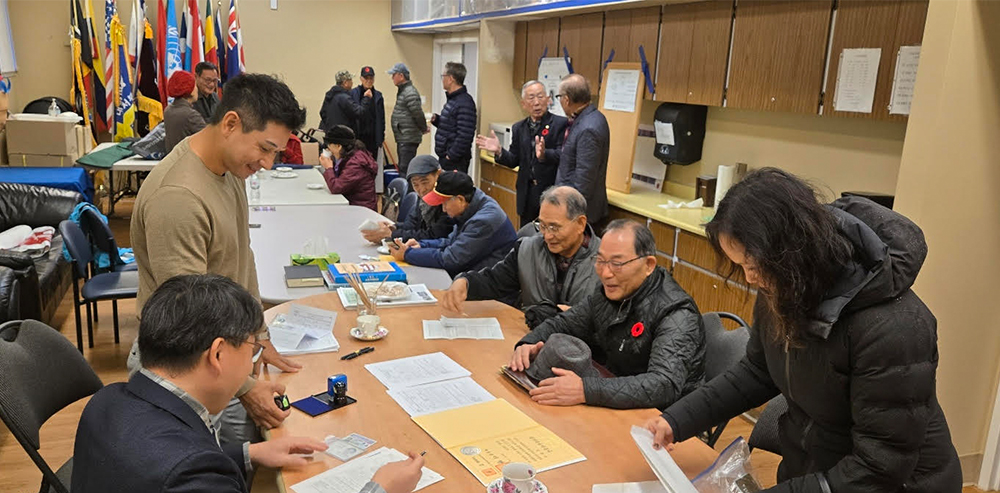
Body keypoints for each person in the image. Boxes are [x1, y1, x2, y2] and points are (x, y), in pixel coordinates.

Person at [643, 169, 962, 492]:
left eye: (754, 265)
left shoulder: (892, 327)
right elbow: (757, 372)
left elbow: (879, 465)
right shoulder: (784, 287)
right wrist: (678, 419)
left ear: (791, 251)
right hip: (818, 472)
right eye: (742, 267)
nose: (751, 278)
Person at [71, 274, 425, 493]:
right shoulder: (193, 476)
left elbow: (162, 463)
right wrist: (382, 489)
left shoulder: (108, 400)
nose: (255, 362)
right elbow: (180, 469)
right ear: (218, 354)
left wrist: (248, 453)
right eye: (254, 348)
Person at [130, 73, 306, 450]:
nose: (269, 163)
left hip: (225, 355)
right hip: (188, 367)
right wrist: (246, 389)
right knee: (213, 471)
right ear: (230, 124)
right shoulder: (178, 197)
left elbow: (242, 256)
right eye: (265, 148)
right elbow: (189, 319)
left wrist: (258, 336)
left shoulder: (229, 170)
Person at [509, 219, 705, 410]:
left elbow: (663, 385)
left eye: (617, 264)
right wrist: (528, 343)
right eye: (600, 261)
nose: (605, 273)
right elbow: (565, 323)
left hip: (664, 418)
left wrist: (585, 389)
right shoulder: (609, 292)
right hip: (611, 394)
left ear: (649, 265)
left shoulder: (676, 312)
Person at [442, 186, 600, 327]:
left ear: (580, 223)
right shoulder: (527, 249)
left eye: (554, 227)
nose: (547, 236)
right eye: (542, 226)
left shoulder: (606, 261)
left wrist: (579, 316)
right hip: (528, 340)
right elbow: (496, 281)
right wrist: (465, 282)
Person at [390, 170, 516, 278]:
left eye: (444, 203)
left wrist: (408, 254)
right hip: (471, 273)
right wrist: (421, 245)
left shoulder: (484, 221)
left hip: (488, 286)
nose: (443, 210)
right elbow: (450, 242)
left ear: (460, 199)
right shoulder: (470, 205)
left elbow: (452, 259)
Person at [476, 80, 568, 227]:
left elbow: (563, 156)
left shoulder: (560, 123)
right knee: (527, 234)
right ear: (523, 104)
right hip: (527, 192)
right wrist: (499, 151)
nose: (536, 102)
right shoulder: (519, 128)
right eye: (531, 98)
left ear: (548, 99)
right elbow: (514, 160)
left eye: (540, 96)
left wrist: (545, 154)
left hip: (550, 191)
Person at [544, 74, 609, 225]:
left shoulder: (588, 128)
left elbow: (584, 181)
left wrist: (567, 215)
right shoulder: (588, 118)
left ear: (566, 99)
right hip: (573, 208)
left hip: (578, 214)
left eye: (559, 97)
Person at [361, 155, 453, 244]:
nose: (422, 189)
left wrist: (392, 235)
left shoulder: (449, 199)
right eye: (415, 185)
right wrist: (394, 227)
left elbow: (434, 235)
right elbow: (412, 224)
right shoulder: (423, 199)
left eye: (425, 182)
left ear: (438, 174)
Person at [432, 62, 476, 173]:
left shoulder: (465, 102)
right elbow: (451, 126)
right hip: (447, 158)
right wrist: (437, 120)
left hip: (455, 161)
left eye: (443, 76)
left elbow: (465, 135)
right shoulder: (453, 100)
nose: (442, 79)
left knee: (453, 190)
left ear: (451, 78)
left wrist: (451, 156)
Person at [320, 125, 377, 210]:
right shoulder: (348, 156)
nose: (328, 149)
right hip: (353, 204)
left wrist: (328, 168)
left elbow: (337, 187)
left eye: (329, 146)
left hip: (360, 210)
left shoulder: (355, 164)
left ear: (338, 146)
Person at [388, 63, 427, 175]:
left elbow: (417, 113)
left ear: (401, 76)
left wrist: (423, 128)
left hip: (408, 137)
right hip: (404, 136)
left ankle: (407, 191)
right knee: (403, 167)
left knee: (405, 169)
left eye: (393, 75)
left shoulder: (409, 92)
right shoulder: (403, 91)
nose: (392, 78)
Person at [163, 70, 206, 152]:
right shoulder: (191, 115)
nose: (197, 89)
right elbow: (209, 141)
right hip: (189, 162)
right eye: (195, 86)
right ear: (190, 90)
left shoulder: (168, 110)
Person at [320, 70, 371, 134]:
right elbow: (359, 112)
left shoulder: (329, 96)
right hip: (343, 137)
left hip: (331, 135)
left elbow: (322, 113)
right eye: (350, 80)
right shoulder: (344, 98)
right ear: (345, 83)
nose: (352, 82)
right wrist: (367, 98)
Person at [350, 66, 385, 159]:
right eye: (366, 78)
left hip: (373, 138)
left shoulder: (378, 96)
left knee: (372, 166)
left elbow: (381, 119)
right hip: (358, 137)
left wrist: (380, 138)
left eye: (371, 78)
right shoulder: (353, 93)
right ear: (361, 79)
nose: (369, 81)